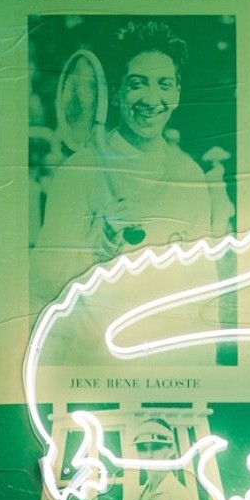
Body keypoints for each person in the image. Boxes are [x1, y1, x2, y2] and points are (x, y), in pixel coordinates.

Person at [31, 20, 233, 315]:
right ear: (117, 93)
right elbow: (42, 284)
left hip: (168, 355)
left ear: (177, 93)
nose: (152, 100)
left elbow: (201, 289)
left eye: (164, 85)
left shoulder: (189, 175)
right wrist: (104, 241)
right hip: (90, 355)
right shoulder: (79, 171)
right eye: (137, 84)